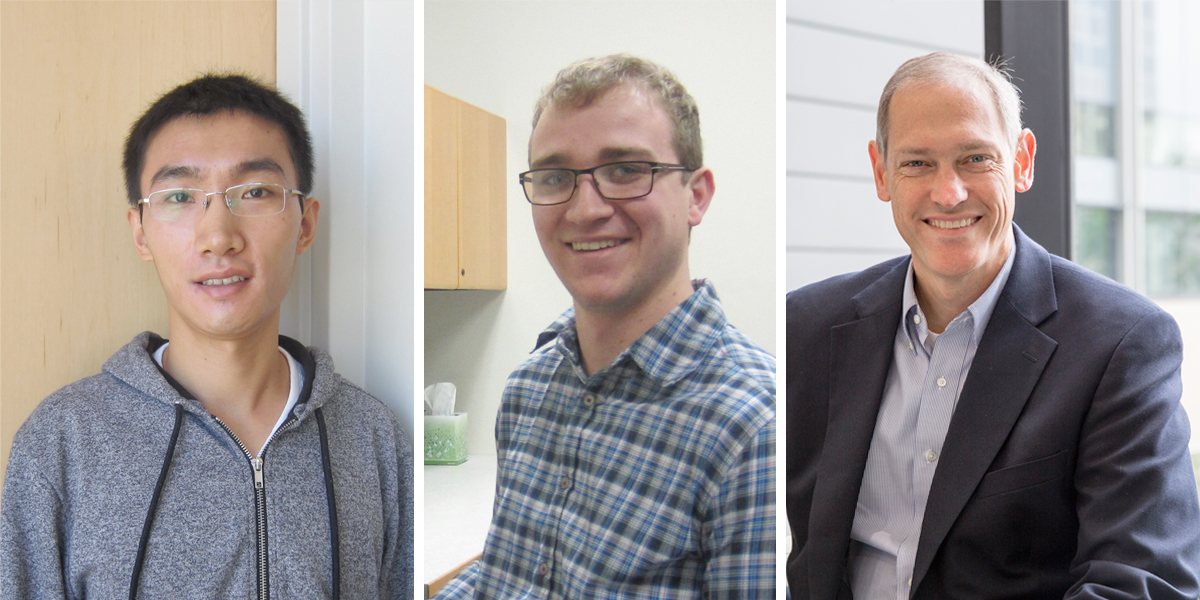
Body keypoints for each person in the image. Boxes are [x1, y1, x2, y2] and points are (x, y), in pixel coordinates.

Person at [786, 51, 1200, 599]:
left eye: (976, 158)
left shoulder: (1122, 344)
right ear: (881, 172)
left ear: (1022, 160)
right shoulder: (807, 327)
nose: (949, 192)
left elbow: (1143, 582)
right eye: (917, 163)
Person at [1, 74, 413, 599]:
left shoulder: (375, 441)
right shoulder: (62, 443)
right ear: (140, 231)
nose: (218, 236)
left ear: (305, 225)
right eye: (179, 196)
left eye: (256, 192)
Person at [435, 54, 776, 599]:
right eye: (554, 177)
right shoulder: (529, 389)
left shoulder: (754, 428)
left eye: (624, 171)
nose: (585, 209)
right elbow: (509, 572)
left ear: (697, 195)